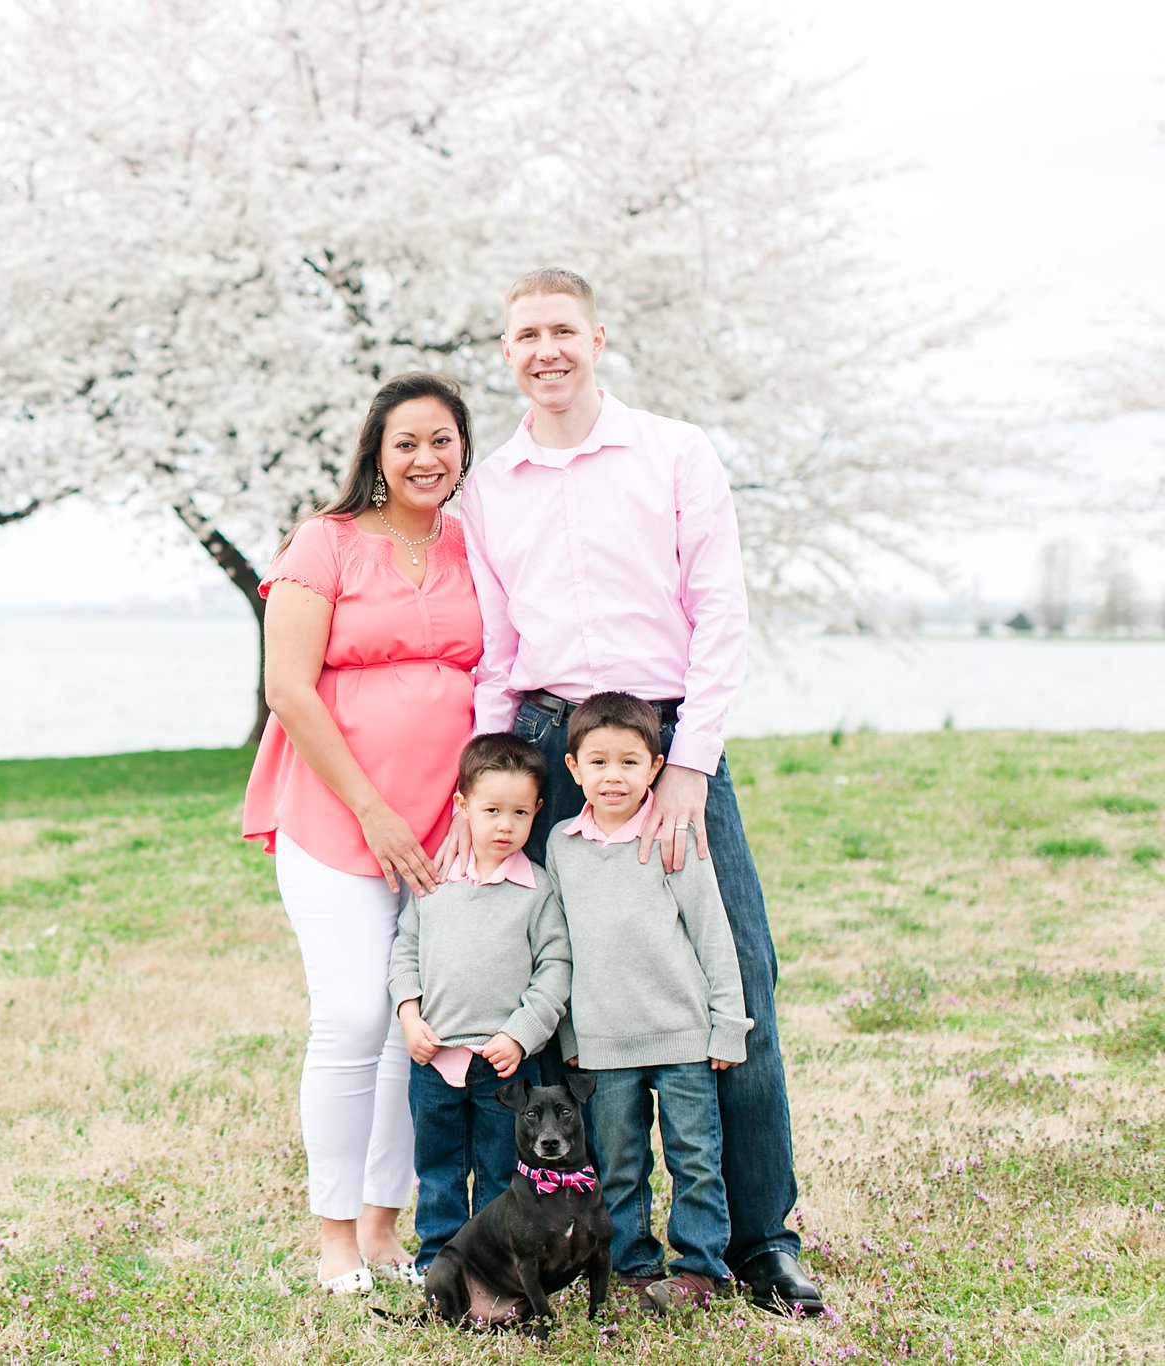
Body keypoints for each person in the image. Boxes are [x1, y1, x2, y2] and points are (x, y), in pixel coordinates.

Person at [456, 265, 827, 1318]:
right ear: (505, 351)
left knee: (731, 981)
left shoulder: (674, 452)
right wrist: (490, 786)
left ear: (598, 336)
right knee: (557, 987)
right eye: (524, 333)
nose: (546, 350)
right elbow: (493, 651)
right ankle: (581, 1244)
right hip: (542, 742)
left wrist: (689, 764)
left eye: (562, 329)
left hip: (663, 739)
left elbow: (718, 615)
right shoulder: (489, 487)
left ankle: (758, 1241)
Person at [243, 371, 481, 1294]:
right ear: (377, 456)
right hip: (339, 816)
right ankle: (334, 1236)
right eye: (407, 443)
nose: (426, 458)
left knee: (409, 1029)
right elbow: (288, 689)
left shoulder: (472, 546)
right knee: (350, 1016)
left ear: (464, 452)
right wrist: (374, 810)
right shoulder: (326, 543)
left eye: (443, 441)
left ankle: (385, 1226)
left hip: (444, 828)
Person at [547, 691, 751, 1312]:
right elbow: (559, 945)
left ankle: (699, 1268)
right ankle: (634, 1266)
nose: (615, 777)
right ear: (574, 768)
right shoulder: (561, 844)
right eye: (599, 762)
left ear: (656, 767)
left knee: (695, 1157)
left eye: (631, 763)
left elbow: (712, 931)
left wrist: (727, 1026)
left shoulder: (673, 834)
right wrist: (573, 1039)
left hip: (683, 1033)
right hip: (604, 1040)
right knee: (619, 1160)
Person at [387, 732, 569, 1274]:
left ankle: (496, 1264)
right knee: (439, 1168)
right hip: (434, 1057)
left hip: (503, 1064)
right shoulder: (435, 884)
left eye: (519, 812)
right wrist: (408, 1014)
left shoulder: (537, 891)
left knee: (499, 1169)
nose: (505, 826)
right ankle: (439, 1264)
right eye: (491, 810)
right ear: (462, 807)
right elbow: (405, 952)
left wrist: (520, 1034)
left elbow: (555, 970)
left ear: (538, 810)